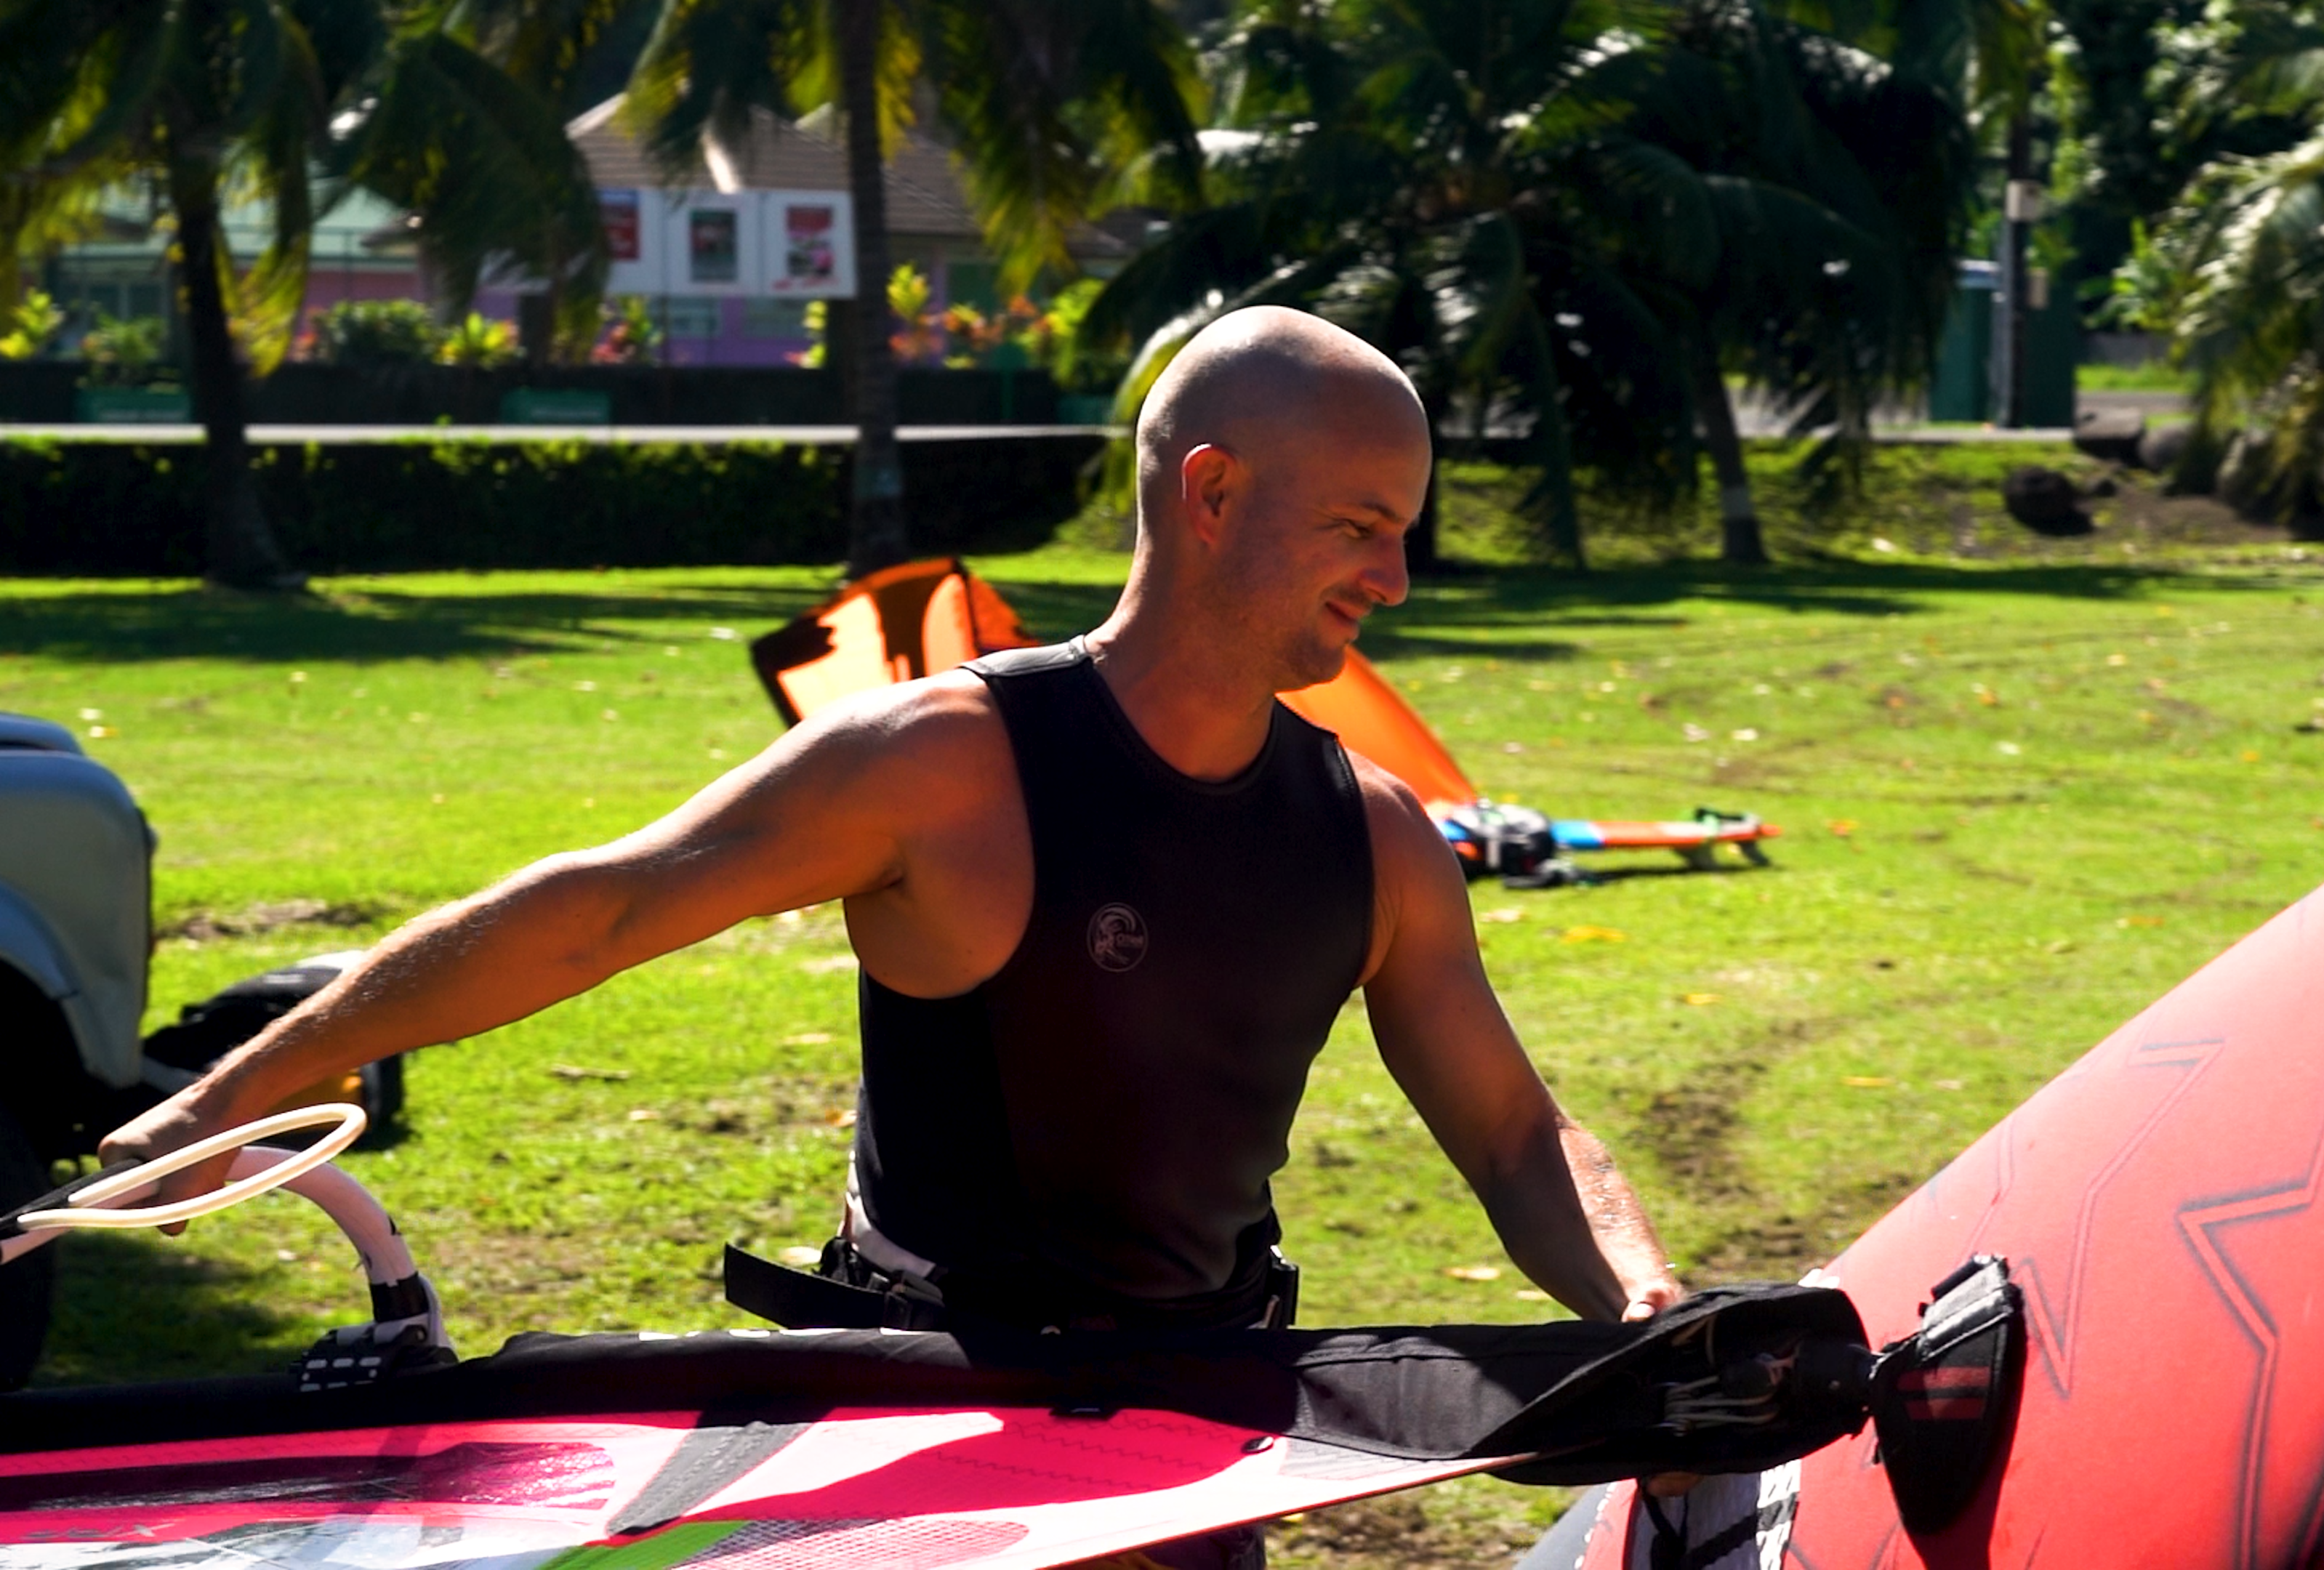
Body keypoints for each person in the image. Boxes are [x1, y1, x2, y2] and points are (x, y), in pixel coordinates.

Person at [105, 304, 1681, 1353]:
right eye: (1359, 529)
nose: (1394, 582)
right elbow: (596, 912)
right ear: (1209, 493)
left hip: (1202, 1425)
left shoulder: (1377, 839)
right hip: (922, 1429)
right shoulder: (950, 767)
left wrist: (1647, 1302)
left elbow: (1513, 1133)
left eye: (1402, 538)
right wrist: (211, 1110)